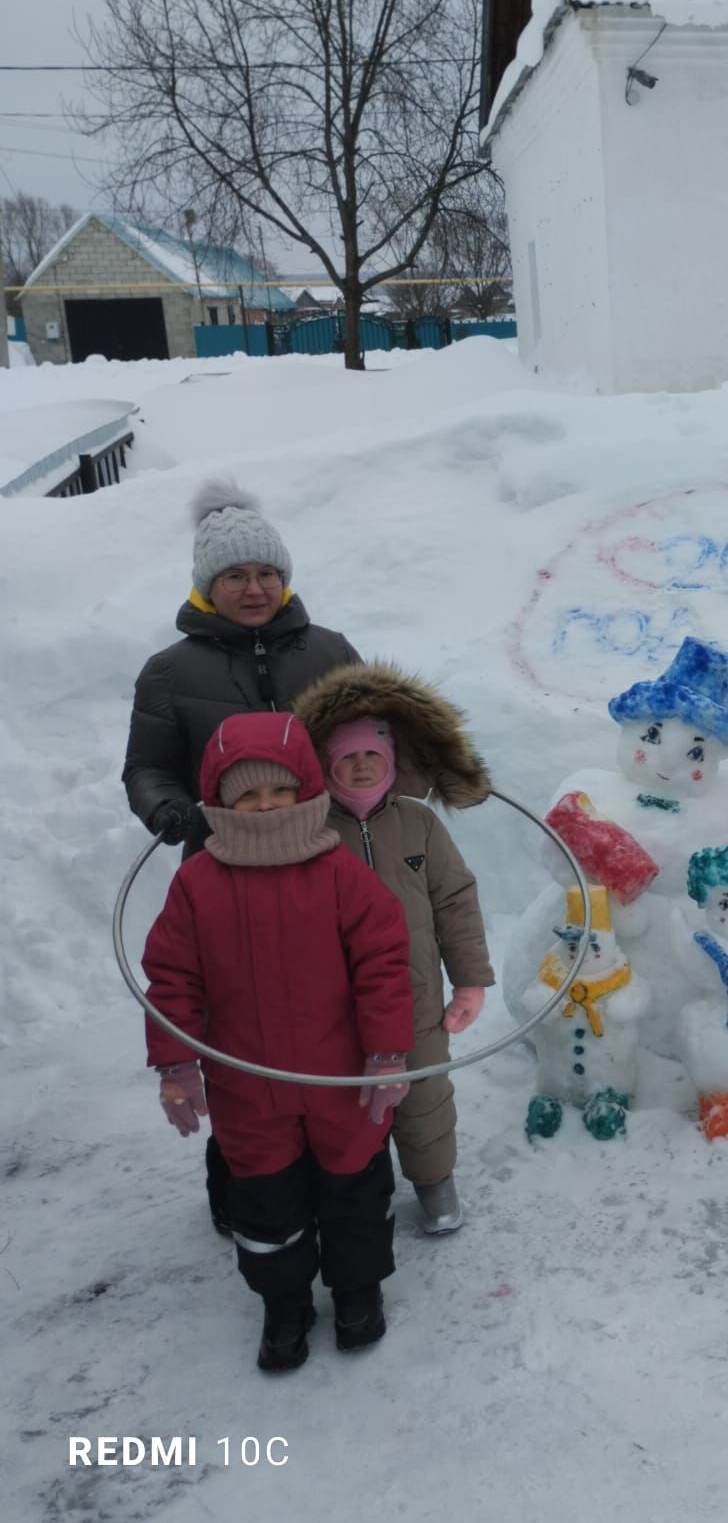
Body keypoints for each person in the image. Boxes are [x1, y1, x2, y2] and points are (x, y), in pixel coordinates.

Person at [143, 712, 415, 1372]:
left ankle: (357, 1288)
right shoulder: (198, 883)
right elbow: (172, 977)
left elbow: (383, 963)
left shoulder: (340, 874)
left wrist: (386, 1051)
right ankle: (284, 1301)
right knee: (265, 1202)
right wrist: (176, 1063)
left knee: (354, 1188)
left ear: (305, 792)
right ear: (220, 801)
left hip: (342, 1077)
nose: (264, 807)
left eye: (278, 791)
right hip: (248, 1087)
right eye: (247, 794)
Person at [123, 480, 362, 1234]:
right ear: (207, 585)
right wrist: (164, 808)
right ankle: (244, 1188)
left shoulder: (331, 652)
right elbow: (147, 766)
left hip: (324, 864)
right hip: (221, 875)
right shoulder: (169, 673)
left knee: (335, 1019)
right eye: (234, 576)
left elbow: (367, 742)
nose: (253, 588)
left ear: (283, 578)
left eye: (265, 573)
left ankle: (347, 1177)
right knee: (237, 1033)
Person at [292, 663, 495, 1235]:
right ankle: (356, 1187)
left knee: (425, 1093)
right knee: (344, 1097)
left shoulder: (418, 823)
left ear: (393, 761)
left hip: (415, 993)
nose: (360, 766)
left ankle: (435, 1182)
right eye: (347, 756)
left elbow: (454, 899)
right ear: (326, 762)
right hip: (331, 998)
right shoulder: (305, 826)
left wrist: (471, 980)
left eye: (372, 756)